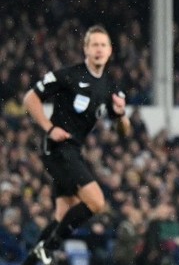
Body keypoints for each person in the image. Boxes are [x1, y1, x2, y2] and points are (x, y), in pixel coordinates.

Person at [21, 25, 131, 265]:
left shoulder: (110, 87)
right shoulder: (69, 75)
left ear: (110, 51)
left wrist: (122, 115)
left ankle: (33, 260)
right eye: (94, 45)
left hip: (73, 151)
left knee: (63, 216)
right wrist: (49, 127)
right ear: (86, 50)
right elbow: (30, 98)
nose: (99, 49)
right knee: (96, 202)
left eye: (103, 45)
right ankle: (49, 248)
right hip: (57, 149)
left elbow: (124, 133)